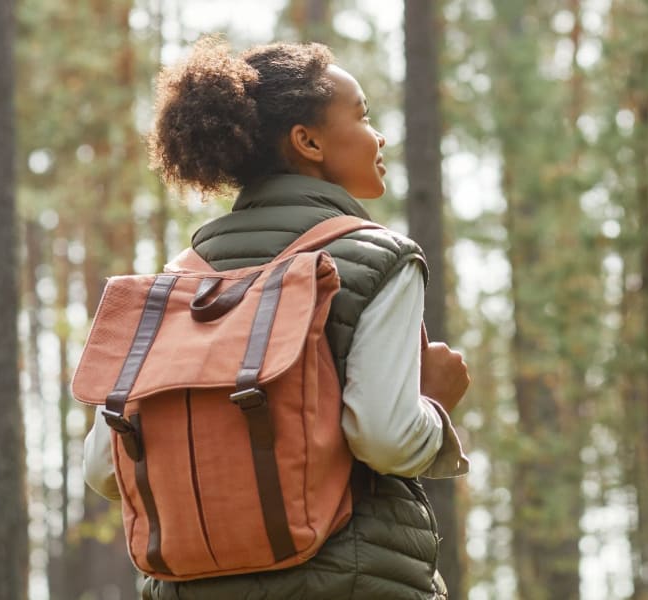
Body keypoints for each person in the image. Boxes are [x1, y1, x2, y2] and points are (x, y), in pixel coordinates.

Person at [83, 36, 470, 600]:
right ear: (307, 141)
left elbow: (104, 468)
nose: (378, 135)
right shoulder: (377, 256)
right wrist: (433, 403)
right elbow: (386, 439)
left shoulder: (174, 283)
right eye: (362, 117)